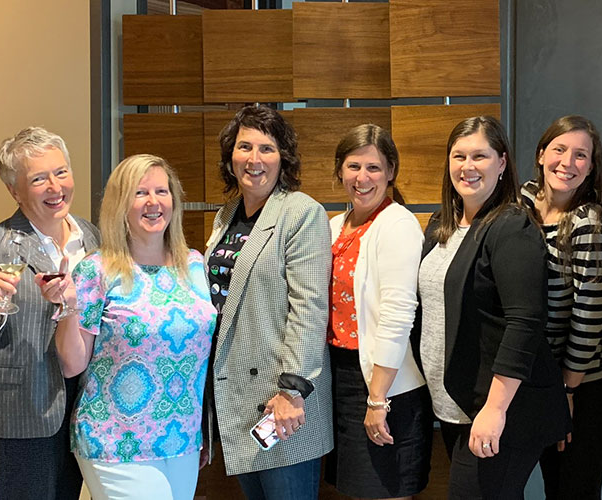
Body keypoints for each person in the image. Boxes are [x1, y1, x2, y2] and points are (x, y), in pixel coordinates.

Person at [416, 115, 569, 499]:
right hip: (457, 404)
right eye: (459, 156)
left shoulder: (512, 225)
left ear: (502, 163)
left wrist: (495, 409)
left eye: (480, 156)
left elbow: (526, 321)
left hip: (502, 407)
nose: (467, 167)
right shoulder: (442, 224)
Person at [50, 154, 217, 500]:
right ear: (120, 205)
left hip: (181, 437)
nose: (154, 202)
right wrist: (68, 306)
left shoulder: (195, 265)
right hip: (115, 440)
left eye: (162, 191)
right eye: (140, 193)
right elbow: (72, 363)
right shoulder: (97, 270)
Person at [0, 127, 99, 500]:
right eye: (39, 179)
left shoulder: (95, 238)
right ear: (15, 191)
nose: (55, 186)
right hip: (20, 418)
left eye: (61, 172)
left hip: (88, 411)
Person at [202, 105, 332, 500]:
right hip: (238, 399)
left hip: (283, 403)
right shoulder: (225, 216)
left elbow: (309, 309)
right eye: (244, 147)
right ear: (230, 157)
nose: (254, 159)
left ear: (283, 159)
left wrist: (292, 389)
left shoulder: (301, 213)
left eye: (267, 149)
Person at [324, 124, 432, 499]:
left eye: (373, 168)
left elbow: (398, 315)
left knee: (383, 491)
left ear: (391, 172)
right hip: (340, 376)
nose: (362, 178)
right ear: (339, 170)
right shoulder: (334, 226)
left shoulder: (397, 224)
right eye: (354, 166)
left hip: (384, 385)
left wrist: (377, 399)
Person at [520, 115, 602, 500]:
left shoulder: (588, 223)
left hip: (582, 382)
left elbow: (589, 315)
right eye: (559, 149)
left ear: (592, 168)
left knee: (572, 489)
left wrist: (567, 390)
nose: (568, 162)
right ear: (542, 154)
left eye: (581, 155)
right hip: (538, 380)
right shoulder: (519, 206)